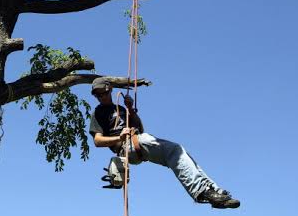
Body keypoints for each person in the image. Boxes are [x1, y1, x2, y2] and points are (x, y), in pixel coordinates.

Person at [89, 77, 240, 209]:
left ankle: (214, 191)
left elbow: (140, 128)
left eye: (104, 92)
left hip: (137, 141)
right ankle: (202, 192)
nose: (101, 96)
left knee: (181, 155)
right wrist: (119, 138)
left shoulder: (121, 108)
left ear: (110, 90)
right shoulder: (97, 113)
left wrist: (130, 110)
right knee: (175, 151)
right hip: (125, 147)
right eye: (97, 95)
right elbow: (97, 141)